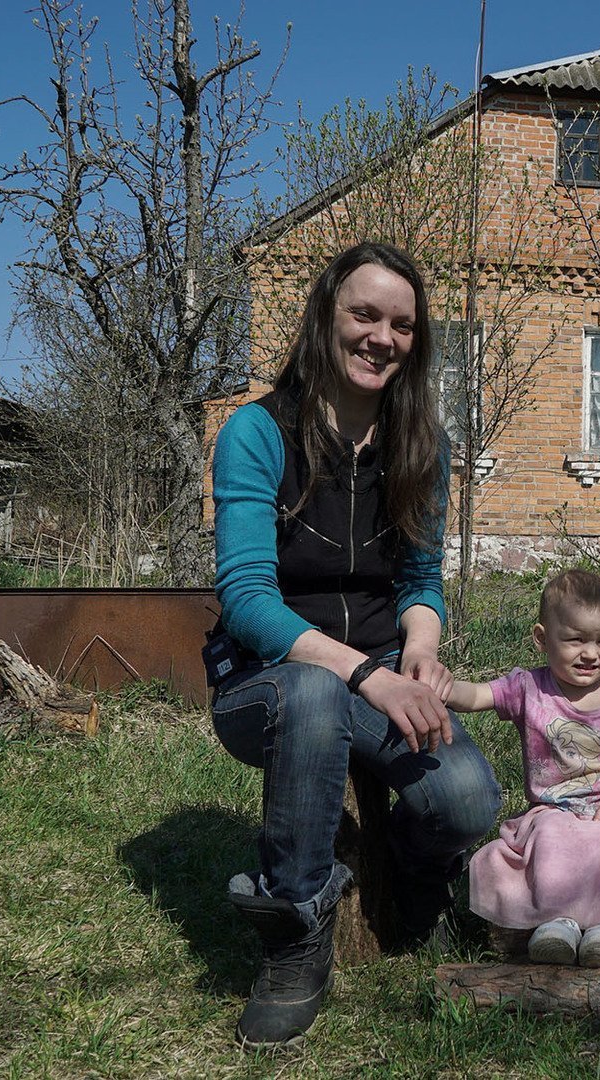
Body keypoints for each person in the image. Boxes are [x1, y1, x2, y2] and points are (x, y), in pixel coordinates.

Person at [207, 241, 502, 1048]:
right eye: (364, 315)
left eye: (402, 325)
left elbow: (421, 575)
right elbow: (246, 601)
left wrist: (421, 644)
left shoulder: (422, 443)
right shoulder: (258, 432)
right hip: (267, 680)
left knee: (469, 801)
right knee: (310, 694)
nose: (383, 337)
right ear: (324, 319)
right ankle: (296, 930)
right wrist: (367, 676)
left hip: (379, 671)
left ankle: (411, 876)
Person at [445, 569, 600, 968]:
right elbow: (478, 695)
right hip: (554, 808)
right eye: (575, 640)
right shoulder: (529, 689)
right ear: (541, 638)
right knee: (549, 845)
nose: (591, 653)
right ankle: (556, 923)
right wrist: (444, 688)